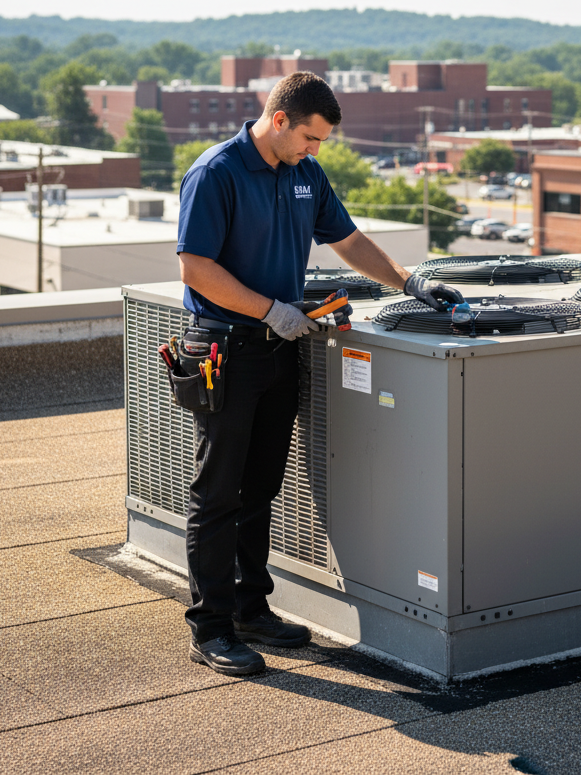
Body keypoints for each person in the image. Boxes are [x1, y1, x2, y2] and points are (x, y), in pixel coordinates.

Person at [176, 71, 463, 676]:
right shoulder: (216, 172)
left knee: (261, 489)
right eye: (310, 137)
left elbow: (349, 240)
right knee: (218, 492)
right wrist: (270, 310)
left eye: (322, 141)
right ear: (279, 120)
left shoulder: (304, 174)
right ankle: (210, 627)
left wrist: (411, 281)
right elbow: (195, 268)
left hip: (282, 347)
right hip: (226, 348)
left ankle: (252, 610)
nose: (316, 150)